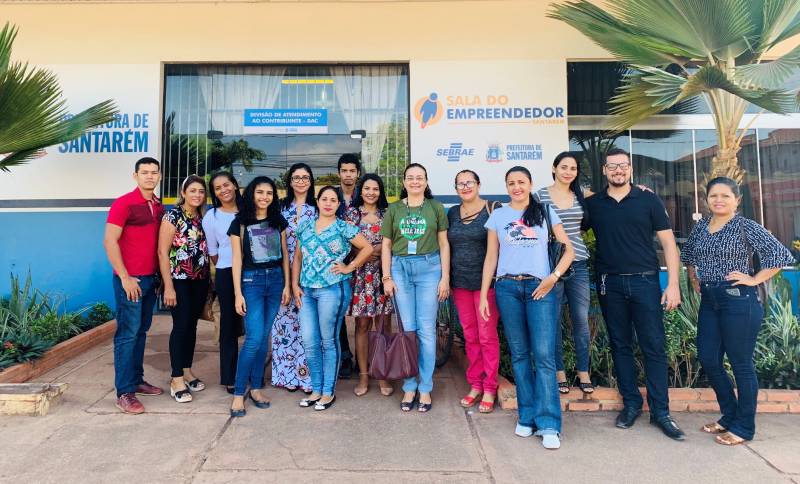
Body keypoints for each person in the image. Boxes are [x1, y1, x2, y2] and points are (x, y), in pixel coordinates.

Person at [682, 177, 795, 445]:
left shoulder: (746, 226)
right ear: (707, 200)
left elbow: (780, 255)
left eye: (725, 196)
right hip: (710, 300)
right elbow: (688, 256)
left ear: (737, 200)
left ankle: (744, 427)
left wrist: (754, 279)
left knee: (741, 364)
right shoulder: (701, 227)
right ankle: (729, 415)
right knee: (709, 358)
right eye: (713, 196)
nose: (718, 200)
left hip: (738, 300)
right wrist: (695, 280)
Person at [583, 147, 685, 440]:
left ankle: (661, 412)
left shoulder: (648, 199)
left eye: (623, 166)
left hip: (645, 282)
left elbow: (668, 244)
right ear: (604, 170)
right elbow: (567, 217)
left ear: (630, 169)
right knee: (620, 345)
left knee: (653, 346)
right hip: (609, 283)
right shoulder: (595, 205)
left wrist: (673, 284)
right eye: (612, 166)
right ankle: (631, 405)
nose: (618, 171)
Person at [480, 166, 574, 450]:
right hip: (508, 288)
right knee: (520, 355)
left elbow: (569, 250)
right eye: (511, 183)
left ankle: (548, 424)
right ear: (506, 187)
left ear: (530, 184)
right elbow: (491, 257)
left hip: (539, 289)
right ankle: (527, 416)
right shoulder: (498, 215)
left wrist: (552, 278)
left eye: (521, 182)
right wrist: (485, 294)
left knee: (544, 356)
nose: (516, 187)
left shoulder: (545, 211)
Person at [293, 186, 373, 410]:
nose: (328, 203)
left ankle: (328, 392)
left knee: (329, 341)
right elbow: (298, 257)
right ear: (317, 202)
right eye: (324, 199)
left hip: (332, 289)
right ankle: (315, 389)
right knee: (309, 342)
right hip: (307, 291)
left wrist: (350, 267)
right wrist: (294, 284)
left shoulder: (344, 227)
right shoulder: (305, 226)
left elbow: (366, 248)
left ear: (339, 205)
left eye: (333, 200)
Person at [381, 163, 450, 413]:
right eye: (410, 178)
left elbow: (444, 245)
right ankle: (409, 385)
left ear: (426, 181)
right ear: (403, 182)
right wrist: (386, 277)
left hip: (430, 268)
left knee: (426, 331)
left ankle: (426, 388)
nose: (415, 181)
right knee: (407, 330)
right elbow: (386, 245)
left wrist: (445, 278)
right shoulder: (394, 209)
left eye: (419, 177)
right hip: (400, 269)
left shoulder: (436, 208)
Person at [103, 157, 165, 414]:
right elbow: (110, 241)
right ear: (135, 176)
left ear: (160, 176)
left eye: (154, 172)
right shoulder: (124, 203)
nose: (150, 176)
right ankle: (124, 392)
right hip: (130, 280)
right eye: (145, 172)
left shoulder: (158, 206)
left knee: (140, 332)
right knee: (127, 334)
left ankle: (137, 380)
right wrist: (125, 276)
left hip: (151, 280)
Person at [228, 176, 291, 417]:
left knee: (264, 337)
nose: (264, 197)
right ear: (252, 194)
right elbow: (236, 260)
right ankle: (238, 395)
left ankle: (255, 388)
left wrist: (286, 285)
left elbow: (285, 254)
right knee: (254, 338)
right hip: (251, 282)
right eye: (260, 192)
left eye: (269, 193)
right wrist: (237, 294)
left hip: (275, 281)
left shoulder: (278, 221)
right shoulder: (239, 223)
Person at [535, 152, 594, 394]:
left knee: (581, 320)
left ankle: (583, 371)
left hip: (578, 263)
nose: (568, 171)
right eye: (563, 167)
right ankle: (559, 371)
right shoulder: (540, 195)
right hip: (552, 265)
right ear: (554, 168)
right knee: (554, 320)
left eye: (573, 168)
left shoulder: (582, 196)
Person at [447, 169, 501, 413]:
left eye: (469, 182)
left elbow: (494, 251)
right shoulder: (452, 213)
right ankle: (476, 384)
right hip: (460, 284)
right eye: (460, 183)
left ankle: (490, 387)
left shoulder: (493, 209)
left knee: (487, 336)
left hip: (485, 286)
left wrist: (485, 286)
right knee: (470, 336)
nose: (465, 186)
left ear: (479, 184)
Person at [158, 175, 210, 403]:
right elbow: (162, 252)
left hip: (199, 280)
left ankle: (187, 370)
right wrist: (168, 286)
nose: (197, 195)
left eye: (201, 191)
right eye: (193, 191)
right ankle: (176, 378)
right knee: (180, 326)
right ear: (183, 192)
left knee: (192, 325)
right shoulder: (172, 215)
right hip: (178, 280)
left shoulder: (201, 216)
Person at [345, 174, 395, 397]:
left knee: (383, 326)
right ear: (360, 190)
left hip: (384, 274)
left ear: (380, 191)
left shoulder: (388, 213)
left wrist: (375, 252)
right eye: (367, 188)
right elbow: (345, 244)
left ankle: (382, 373)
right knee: (363, 326)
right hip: (361, 276)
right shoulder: (351, 214)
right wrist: (366, 253)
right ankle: (364, 375)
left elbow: (394, 242)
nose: (371, 192)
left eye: (375, 188)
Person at [271, 163, 316, 393]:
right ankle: (286, 376)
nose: (300, 181)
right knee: (284, 327)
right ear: (289, 181)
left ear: (310, 181)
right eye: (296, 177)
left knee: (307, 327)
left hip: (311, 275)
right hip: (282, 273)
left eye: (305, 177)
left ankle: (307, 377)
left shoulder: (318, 208)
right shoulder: (279, 208)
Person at [202, 171, 244, 394]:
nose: (223, 190)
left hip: (252, 272)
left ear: (235, 185)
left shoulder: (248, 210)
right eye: (218, 188)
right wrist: (227, 266)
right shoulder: (212, 217)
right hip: (226, 273)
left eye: (226, 185)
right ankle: (229, 376)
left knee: (255, 326)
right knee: (228, 326)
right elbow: (213, 252)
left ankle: (252, 372)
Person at [335, 153, 361, 379]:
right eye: (344, 171)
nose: (348, 174)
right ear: (339, 173)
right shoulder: (330, 196)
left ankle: (367, 359)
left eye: (352, 171)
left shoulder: (366, 194)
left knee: (365, 313)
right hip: (338, 262)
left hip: (364, 261)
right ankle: (344, 356)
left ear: (358, 174)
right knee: (338, 309)